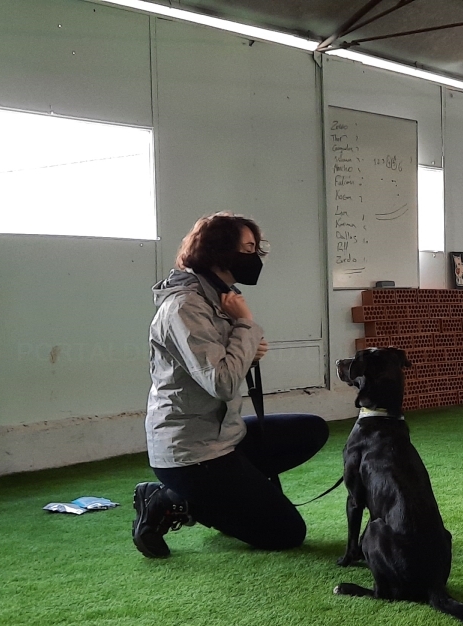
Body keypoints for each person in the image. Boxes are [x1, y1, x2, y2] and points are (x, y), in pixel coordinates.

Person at [133, 212, 331, 558]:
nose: (255, 257)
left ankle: (231, 495)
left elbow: (217, 363)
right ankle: (169, 499)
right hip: (191, 453)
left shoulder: (216, 296)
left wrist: (247, 349)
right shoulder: (184, 306)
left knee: (310, 430)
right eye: (248, 248)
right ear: (218, 251)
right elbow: (222, 382)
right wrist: (246, 326)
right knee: (287, 533)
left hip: (223, 434)